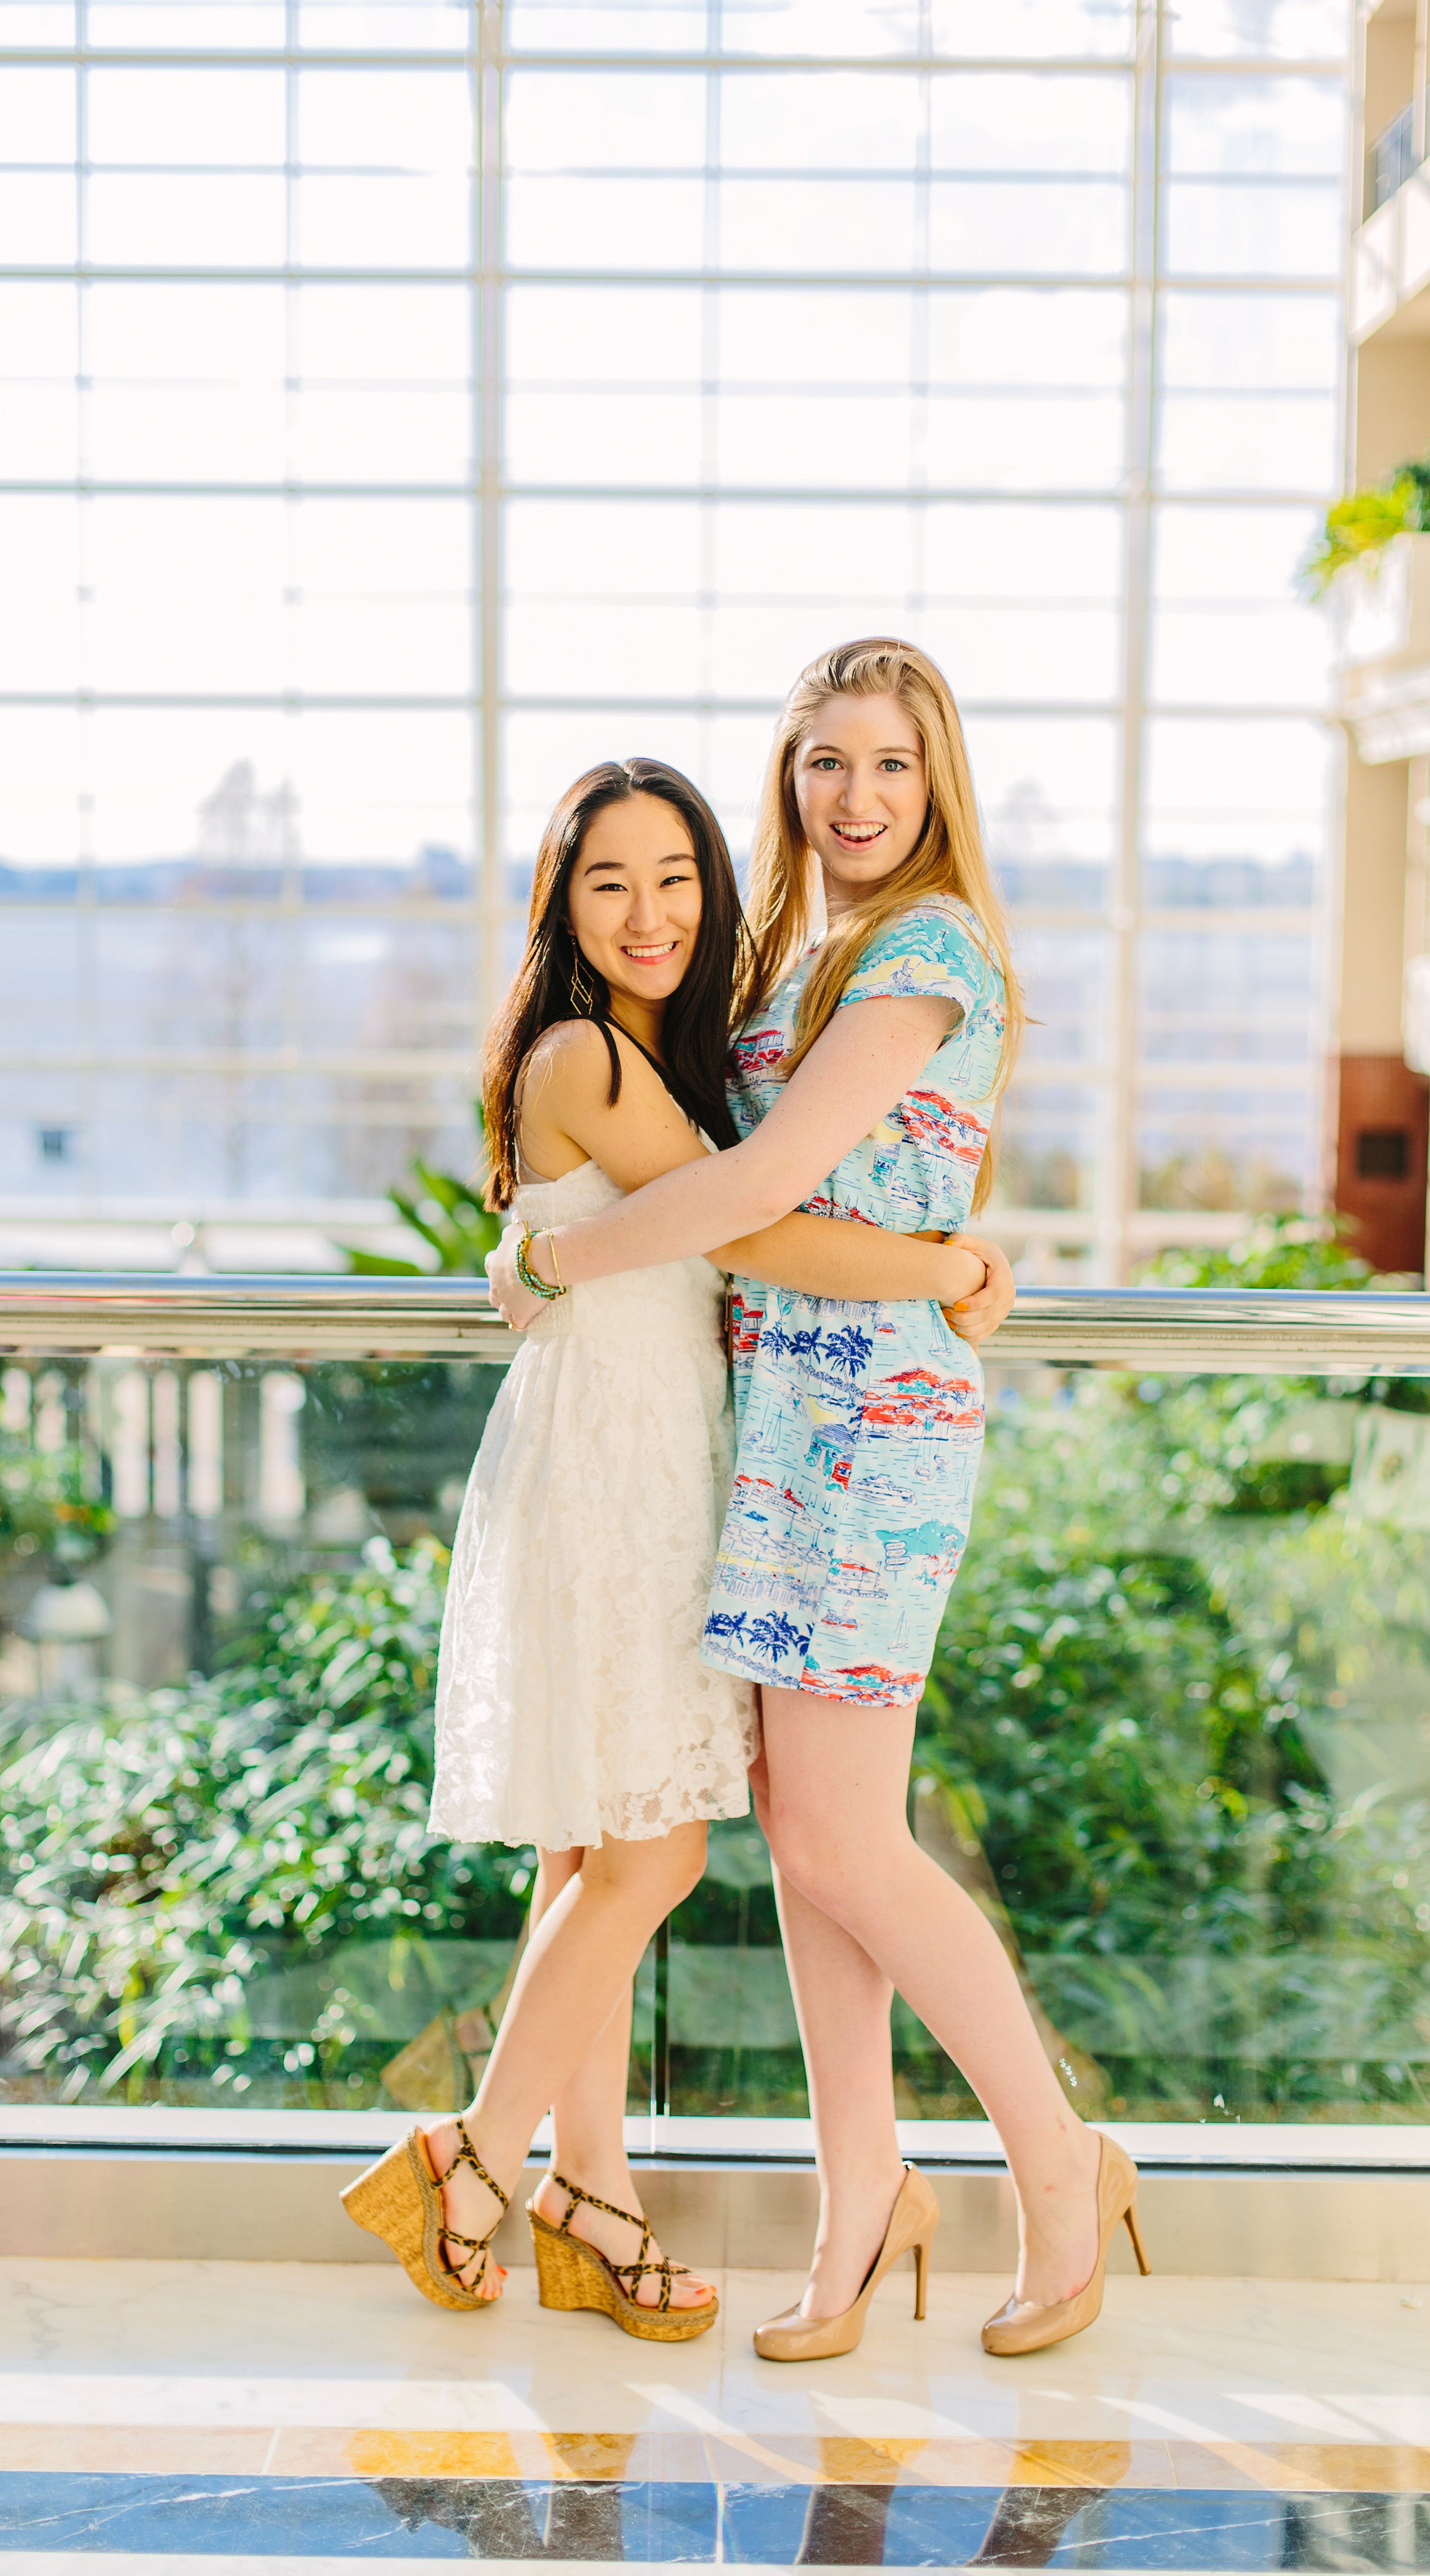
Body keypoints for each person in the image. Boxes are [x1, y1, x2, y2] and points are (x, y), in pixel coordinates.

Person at [487, 642, 1150, 2362]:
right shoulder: (797, 949)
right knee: (800, 1837)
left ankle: (1060, 2161)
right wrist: (944, 1251)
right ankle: (860, 2191)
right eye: (822, 764)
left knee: (847, 1837)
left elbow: (771, 1178)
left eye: (891, 766)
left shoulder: (927, 948)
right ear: (787, 781)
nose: (855, 797)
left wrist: (554, 1258)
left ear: (937, 787)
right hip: (777, 1415)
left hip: (874, 1424)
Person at [343, 754, 1013, 2342]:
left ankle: (592, 2196)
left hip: (657, 1446)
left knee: (593, 1847)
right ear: (559, 909)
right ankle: (474, 2161)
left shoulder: (654, 1047)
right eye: (607, 883)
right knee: (651, 1848)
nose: (649, 912)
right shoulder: (587, 1048)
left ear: (714, 886)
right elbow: (756, 1226)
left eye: (674, 878)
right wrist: (949, 1257)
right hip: (617, 1467)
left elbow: (712, 1221)